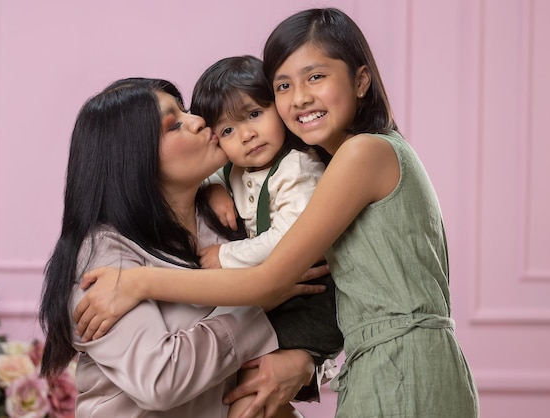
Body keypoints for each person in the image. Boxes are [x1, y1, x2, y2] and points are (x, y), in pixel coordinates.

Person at [73, 8, 479, 418]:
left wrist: (140, 282)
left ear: (360, 80)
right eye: (284, 84)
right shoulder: (227, 202)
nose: (300, 97)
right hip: (378, 363)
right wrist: (213, 187)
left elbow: (270, 284)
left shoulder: (359, 155)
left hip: (403, 367)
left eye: (316, 76)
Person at [37, 77, 325, 418]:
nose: (199, 120)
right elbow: (162, 379)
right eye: (174, 125)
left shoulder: (229, 218)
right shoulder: (103, 257)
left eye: (185, 111)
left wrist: (304, 361)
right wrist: (260, 298)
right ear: (134, 161)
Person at [190, 55, 343, 418]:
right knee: (255, 405)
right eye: (227, 131)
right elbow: (205, 175)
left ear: (277, 107)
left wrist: (224, 257)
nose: (246, 135)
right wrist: (212, 189)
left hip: (311, 304)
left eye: (254, 114)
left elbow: (290, 237)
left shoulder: (298, 167)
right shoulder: (235, 170)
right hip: (275, 301)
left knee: (247, 403)